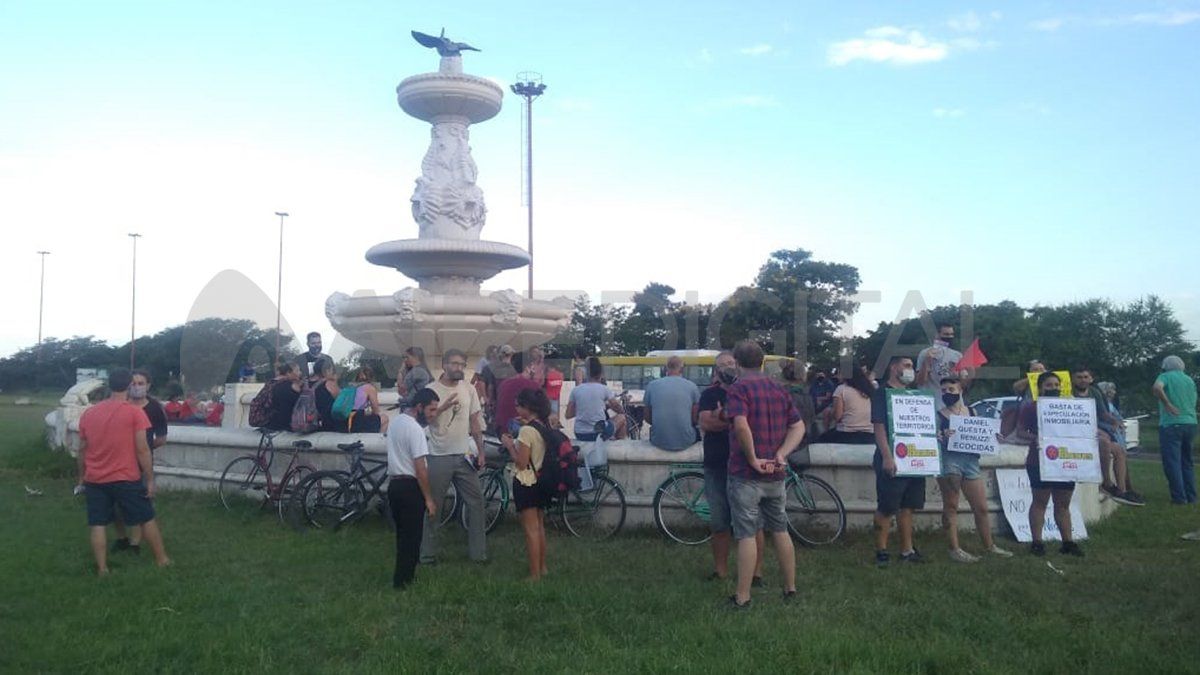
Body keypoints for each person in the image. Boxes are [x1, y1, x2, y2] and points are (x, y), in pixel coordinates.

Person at [725, 341, 804, 608]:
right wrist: (782, 454)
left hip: (745, 474)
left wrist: (752, 458)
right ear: (762, 362)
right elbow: (798, 426)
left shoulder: (738, 389)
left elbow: (741, 425)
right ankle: (790, 588)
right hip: (775, 473)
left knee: (746, 534)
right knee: (780, 529)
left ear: (737, 363)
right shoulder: (779, 388)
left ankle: (743, 596)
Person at [73, 368, 170, 574]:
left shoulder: (89, 414)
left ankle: (102, 568)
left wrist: (81, 477)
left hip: (95, 479)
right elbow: (143, 450)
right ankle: (162, 560)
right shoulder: (135, 413)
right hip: (126, 477)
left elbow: (82, 449)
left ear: (109, 385)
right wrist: (150, 479)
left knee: (97, 524)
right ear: (128, 386)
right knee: (146, 517)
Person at [697, 350, 764, 584]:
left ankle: (756, 573)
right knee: (719, 522)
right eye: (723, 365)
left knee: (754, 522)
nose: (728, 367)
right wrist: (736, 421)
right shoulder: (709, 394)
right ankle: (720, 570)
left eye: (731, 363)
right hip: (716, 463)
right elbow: (705, 422)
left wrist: (723, 417)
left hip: (745, 465)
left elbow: (753, 423)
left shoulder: (748, 391)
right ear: (716, 371)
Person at [421, 349, 488, 564]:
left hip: (464, 455)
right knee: (434, 506)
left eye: (462, 364)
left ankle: (478, 554)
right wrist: (443, 407)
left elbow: (474, 422)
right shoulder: (430, 390)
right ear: (444, 365)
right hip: (438, 456)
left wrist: (481, 451)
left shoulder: (469, 389)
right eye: (455, 364)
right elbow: (424, 421)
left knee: (477, 503)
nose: (459, 368)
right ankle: (427, 554)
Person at [935, 377, 1012, 562]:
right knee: (951, 506)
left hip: (970, 462)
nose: (947, 393)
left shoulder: (972, 411)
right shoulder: (939, 415)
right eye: (944, 390)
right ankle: (954, 548)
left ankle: (989, 545)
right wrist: (942, 435)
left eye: (951, 389)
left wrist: (994, 438)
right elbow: (934, 438)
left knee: (981, 507)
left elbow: (981, 433)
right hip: (949, 462)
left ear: (960, 390)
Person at [1015, 371, 1084, 557]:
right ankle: (1037, 543)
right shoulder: (1031, 408)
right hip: (1039, 461)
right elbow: (1020, 432)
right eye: (1048, 385)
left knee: (1063, 504)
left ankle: (1067, 542)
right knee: (1040, 502)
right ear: (1040, 388)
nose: (1053, 388)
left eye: (1056, 385)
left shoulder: (1070, 408)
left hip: (1064, 460)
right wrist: (1035, 437)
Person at [870, 355, 927, 566]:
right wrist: (887, 456)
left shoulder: (914, 395)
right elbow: (879, 427)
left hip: (913, 460)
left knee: (908, 506)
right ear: (894, 368)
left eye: (912, 366)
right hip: (891, 458)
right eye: (907, 365)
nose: (911, 369)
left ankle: (907, 550)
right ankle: (881, 551)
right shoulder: (882, 393)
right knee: (887, 507)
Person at [108, 369, 169, 553]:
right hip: (117, 461)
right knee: (115, 503)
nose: (136, 387)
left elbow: (161, 438)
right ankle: (121, 537)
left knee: (139, 503)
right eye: (133, 383)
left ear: (148, 386)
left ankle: (135, 542)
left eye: (141, 383)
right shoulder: (120, 406)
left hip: (141, 463)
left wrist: (145, 449)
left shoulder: (155, 409)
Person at [501, 388, 556, 581]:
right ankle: (542, 567)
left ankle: (534, 574)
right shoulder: (544, 425)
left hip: (526, 482)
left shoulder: (526, 431)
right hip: (541, 480)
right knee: (539, 527)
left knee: (530, 530)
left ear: (528, 407)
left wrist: (510, 446)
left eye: (518, 405)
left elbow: (521, 462)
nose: (516, 409)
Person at [386, 388, 439, 589]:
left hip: (394, 485)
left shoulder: (396, 422)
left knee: (402, 535)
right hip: (410, 486)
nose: (433, 415)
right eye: (431, 410)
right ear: (419, 407)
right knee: (412, 537)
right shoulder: (415, 430)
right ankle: (403, 581)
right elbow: (420, 468)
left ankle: (404, 576)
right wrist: (429, 499)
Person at [1072, 367, 1142, 506]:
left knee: (1119, 450)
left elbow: (1103, 413)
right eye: (1079, 377)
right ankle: (1107, 483)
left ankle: (1121, 490)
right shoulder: (1068, 393)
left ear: (1091, 379)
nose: (1083, 380)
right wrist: (1096, 429)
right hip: (1078, 431)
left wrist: (1114, 421)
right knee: (1104, 440)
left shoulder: (1094, 392)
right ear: (1073, 379)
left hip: (1093, 430)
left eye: (1085, 377)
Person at [1153, 355, 1198, 505]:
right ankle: (1191, 497)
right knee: (1187, 462)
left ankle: (1179, 498)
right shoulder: (1189, 380)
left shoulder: (1165, 376)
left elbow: (1157, 388)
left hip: (1171, 424)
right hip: (1191, 423)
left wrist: (1167, 403)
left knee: (1172, 462)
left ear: (1165, 366)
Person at [643, 356, 700, 451]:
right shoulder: (692, 386)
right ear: (682, 369)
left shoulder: (652, 385)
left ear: (666, 368)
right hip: (686, 440)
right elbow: (695, 418)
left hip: (658, 439)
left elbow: (647, 417)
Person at [565, 357, 627, 441]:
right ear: (600, 374)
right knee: (622, 417)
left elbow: (568, 415)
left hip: (580, 433)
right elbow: (616, 406)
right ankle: (619, 445)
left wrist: (584, 408)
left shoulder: (576, 390)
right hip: (598, 433)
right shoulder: (604, 389)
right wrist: (622, 411)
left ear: (586, 373)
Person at [821, 365, 875, 444]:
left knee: (820, 440)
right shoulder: (870, 389)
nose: (837, 376)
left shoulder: (841, 389)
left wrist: (829, 413)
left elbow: (838, 416)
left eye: (839, 373)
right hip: (870, 435)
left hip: (847, 434)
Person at [916, 321, 970, 394]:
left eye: (951, 334)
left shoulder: (957, 355)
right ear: (937, 334)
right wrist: (926, 362)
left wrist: (967, 374)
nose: (949, 337)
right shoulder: (925, 353)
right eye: (946, 334)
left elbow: (964, 386)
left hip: (953, 398)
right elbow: (920, 382)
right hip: (934, 398)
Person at [494, 353, 542, 436]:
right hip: (522, 432)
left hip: (502, 430)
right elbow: (541, 412)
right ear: (529, 367)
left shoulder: (503, 384)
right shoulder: (533, 386)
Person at [349, 366, 388, 434]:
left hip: (345, 421)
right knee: (384, 418)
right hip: (356, 421)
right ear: (371, 377)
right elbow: (376, 411)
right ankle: (377, 440)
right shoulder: (370, 388)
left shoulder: (351, 387)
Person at [265, 362, 302, 431]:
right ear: (288, 373)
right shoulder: (292, 386)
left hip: (272, 422)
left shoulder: (272, 383)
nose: (300, 373)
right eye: (297, 371)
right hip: (288, 424)